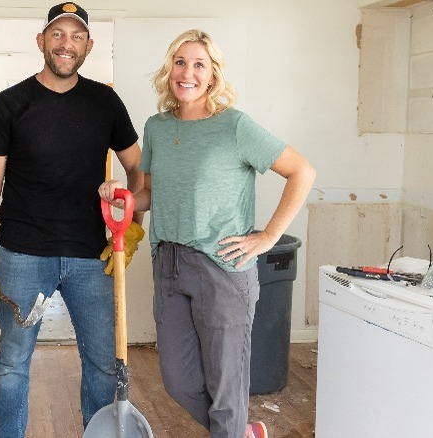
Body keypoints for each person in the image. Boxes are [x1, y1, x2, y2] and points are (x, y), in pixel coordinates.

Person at [99, 29, 316, 438]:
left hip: (221, 267)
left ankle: (234, 431)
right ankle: (242, 433)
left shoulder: (235, 126)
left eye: (200, 64)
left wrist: (268, 236)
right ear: (169, 70)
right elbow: (153, 195)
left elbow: (302, 171)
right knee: (178, 381)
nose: (188, 73)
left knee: (226, 389)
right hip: (169, 264)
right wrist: (123, 197)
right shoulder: (158, 127)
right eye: (180, 62)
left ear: (213, 74)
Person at [0, 3, 144, 437]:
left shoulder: (105, 101)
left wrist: (134, 220)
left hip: (90, 255)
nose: (67, 44)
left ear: (88, 46)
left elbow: (138, 169)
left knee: (104, 363)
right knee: (12, 361)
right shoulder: (10, 104)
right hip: (24, 254)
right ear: (42, 41)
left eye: (76, 36)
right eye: (58, 34)